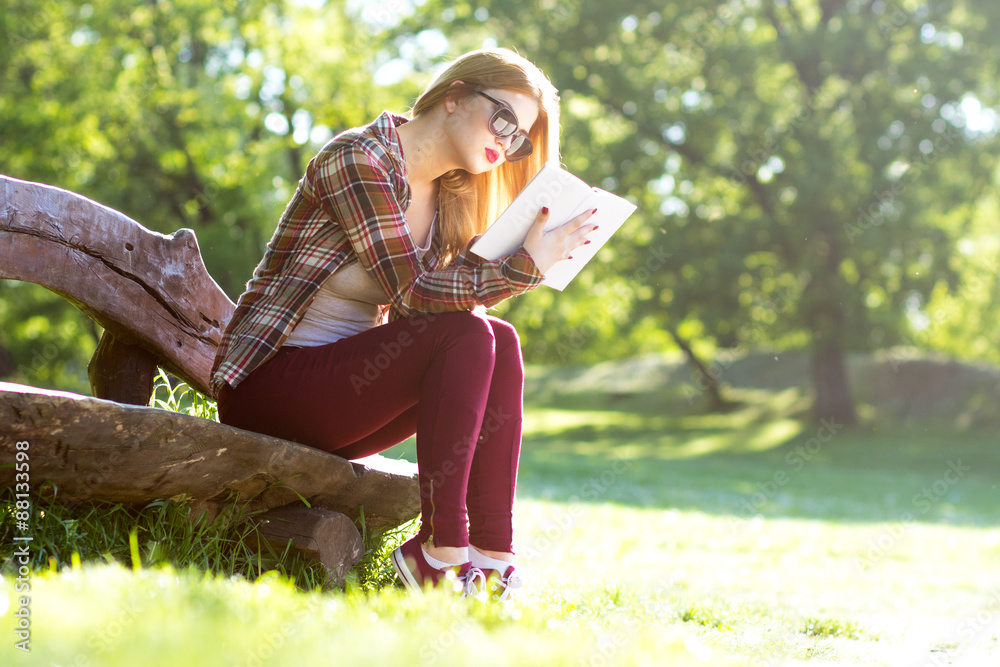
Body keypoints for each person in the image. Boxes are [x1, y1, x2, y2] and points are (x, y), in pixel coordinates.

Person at [211, 48, 597, 599]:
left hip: (340, 403)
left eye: (520, 139)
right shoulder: (360, 158)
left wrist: (525, 257)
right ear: (455, 95)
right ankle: (439, 551)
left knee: (499, 339)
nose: (507, 143)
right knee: (469, 332)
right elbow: (411, 290)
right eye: (503, 119)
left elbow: (427, 312)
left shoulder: (451, 193)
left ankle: (490, 560)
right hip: (267, 387)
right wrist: (523, 268)